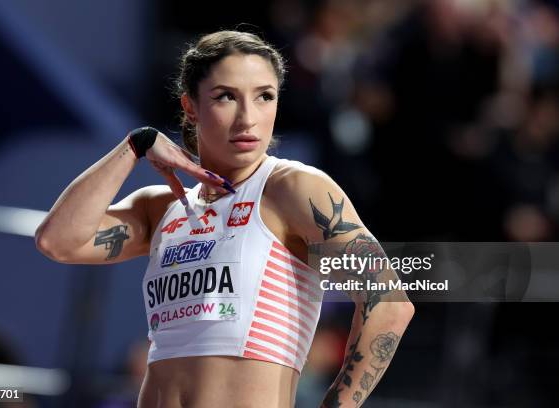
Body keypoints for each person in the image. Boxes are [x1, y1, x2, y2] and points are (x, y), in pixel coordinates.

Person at [35, 30, 415, 408]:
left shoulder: (292, 188)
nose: (248, 117)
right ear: (190, 107)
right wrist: (136, 145)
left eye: (264, 96)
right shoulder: (163, 206)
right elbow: (57, 240)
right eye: (226, 97)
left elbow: (389, 304)